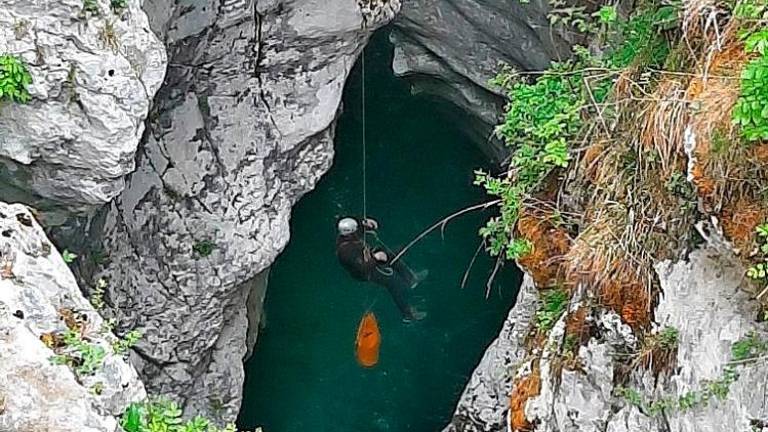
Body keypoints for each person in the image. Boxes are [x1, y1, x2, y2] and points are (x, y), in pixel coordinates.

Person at [336, 216, 426, 321]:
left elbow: (358, 227)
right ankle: (408, 314)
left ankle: (411, 279)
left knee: (392, 255)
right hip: (366, 272)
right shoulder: (346, 251)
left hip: (368, 258)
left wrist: (365, 223)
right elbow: (362, 269)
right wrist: (376, 258)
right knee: (394, 283)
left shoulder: (348, 236)